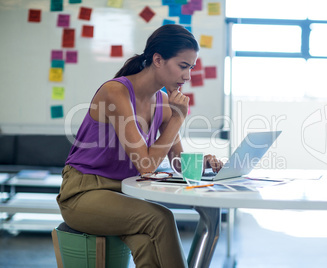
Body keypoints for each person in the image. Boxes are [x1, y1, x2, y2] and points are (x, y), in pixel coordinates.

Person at [56, 24, 223, 268]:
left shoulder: (163, 101)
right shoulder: (116, 92)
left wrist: (204, 163)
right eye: (183, 66)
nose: (187, 76)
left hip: (123, 193)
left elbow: (178, 164)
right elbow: (146, 166)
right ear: (158, 59)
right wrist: (177, 118)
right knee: (160, 218)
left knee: (148, 242)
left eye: (191, 68)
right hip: (83, 193)